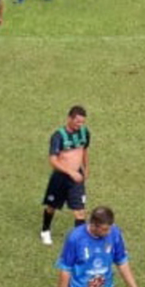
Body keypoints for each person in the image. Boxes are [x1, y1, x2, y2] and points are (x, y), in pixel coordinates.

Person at [40, 105, 91, 245]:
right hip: (60, 178)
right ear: (69, 118)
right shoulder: (58, 136)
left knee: (80, 211)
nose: (80, 125)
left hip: (77, 179)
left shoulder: (85, 133)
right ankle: (45, 230)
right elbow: (53, 161)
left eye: (82, 122)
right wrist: (70, 172)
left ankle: (80, 241)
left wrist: (86, 168)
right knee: (51, 207)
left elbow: (84, 150)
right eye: (77, 122)